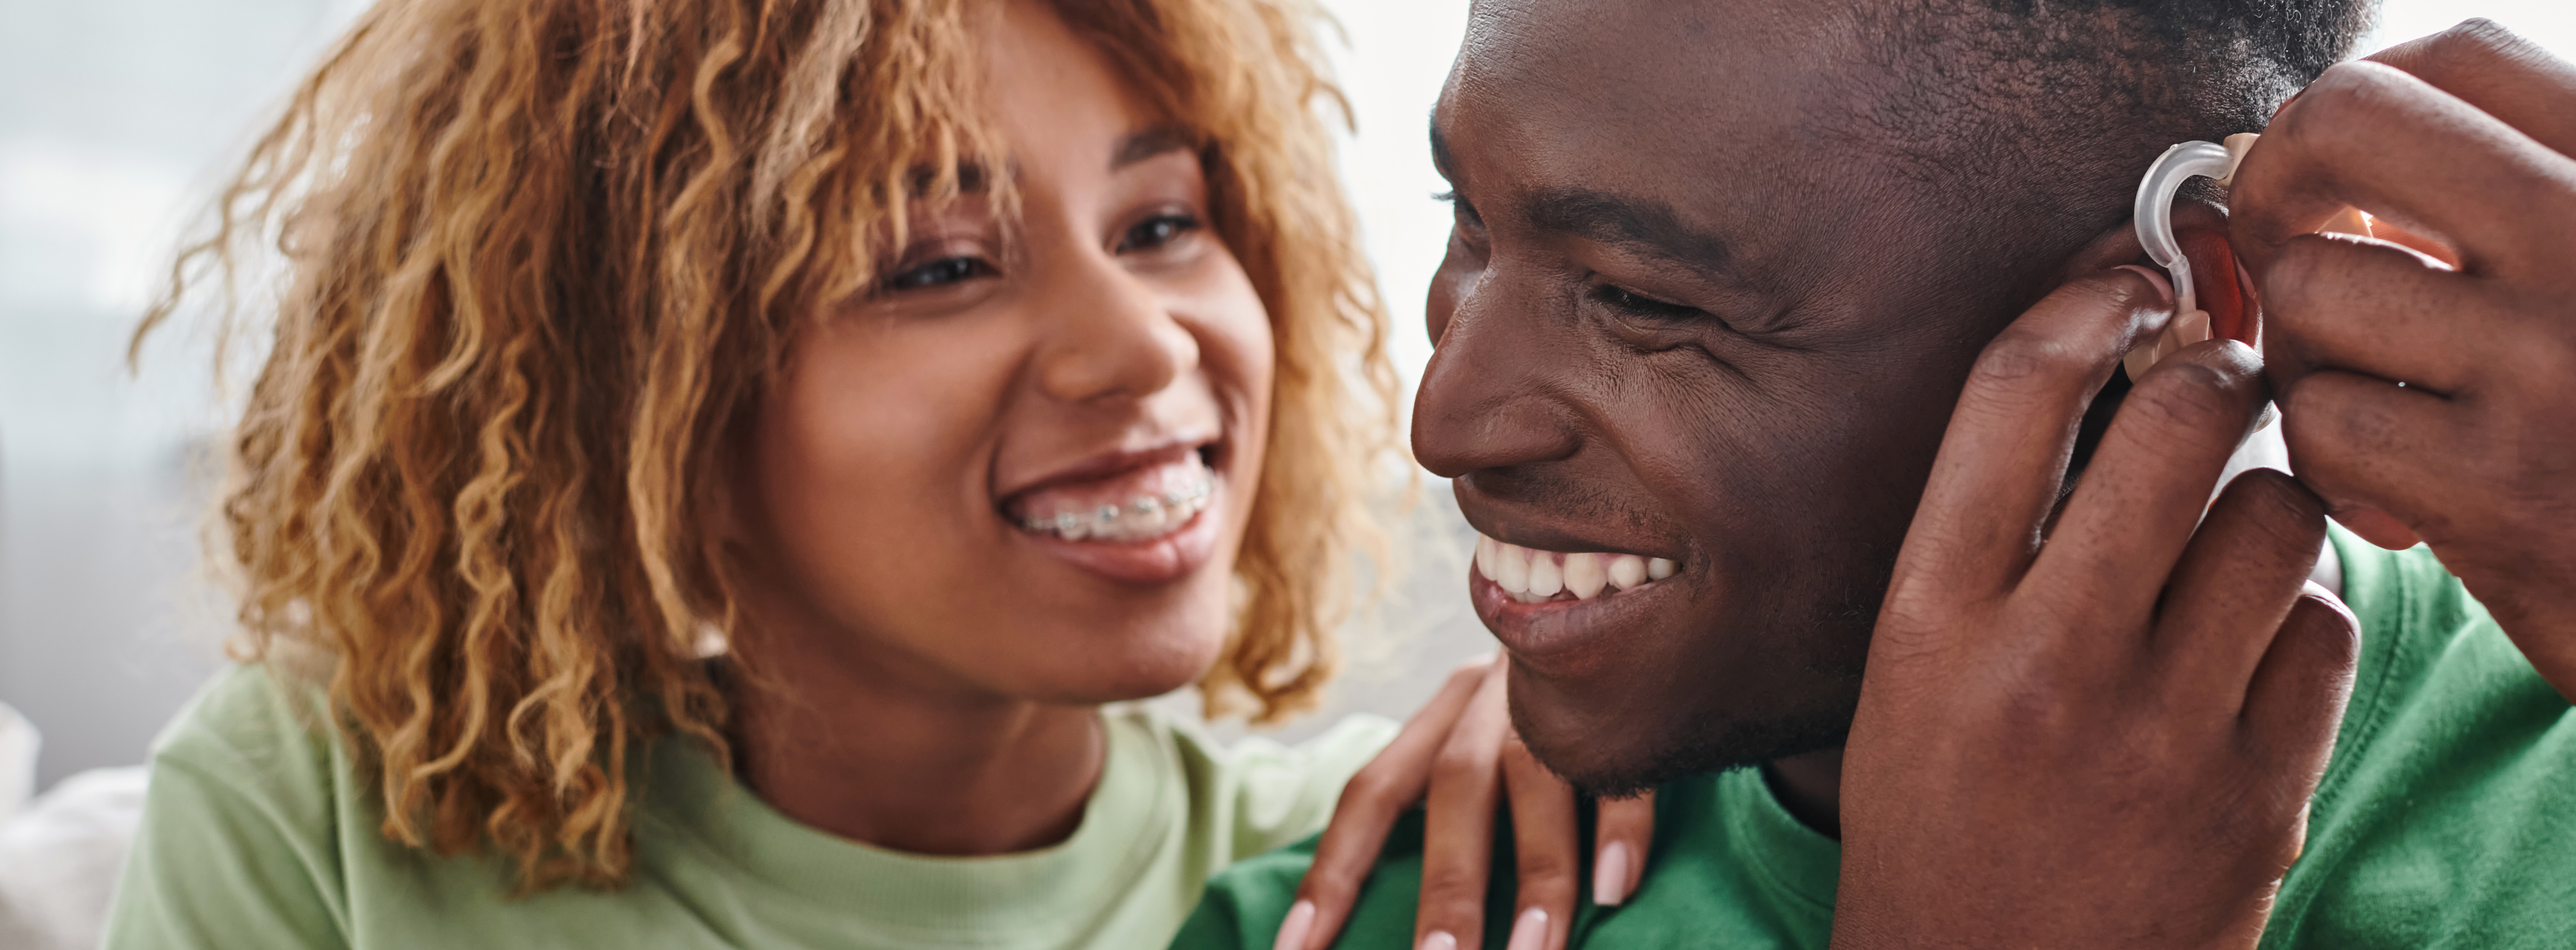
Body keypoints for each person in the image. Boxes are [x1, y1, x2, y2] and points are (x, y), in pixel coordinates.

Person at [1170, 1, 2576, 948]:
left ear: (2192, 291)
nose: (1448, 414)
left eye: (1649, 300)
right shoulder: (1364, 913)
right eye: (1468, 219)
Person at [99, 0, 1651, 946]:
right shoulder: (313, 816)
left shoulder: (1385, 863)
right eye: (941, 265)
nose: (1140, 348)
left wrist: (1630, 739)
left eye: (1164, 223)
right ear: (642, 395)